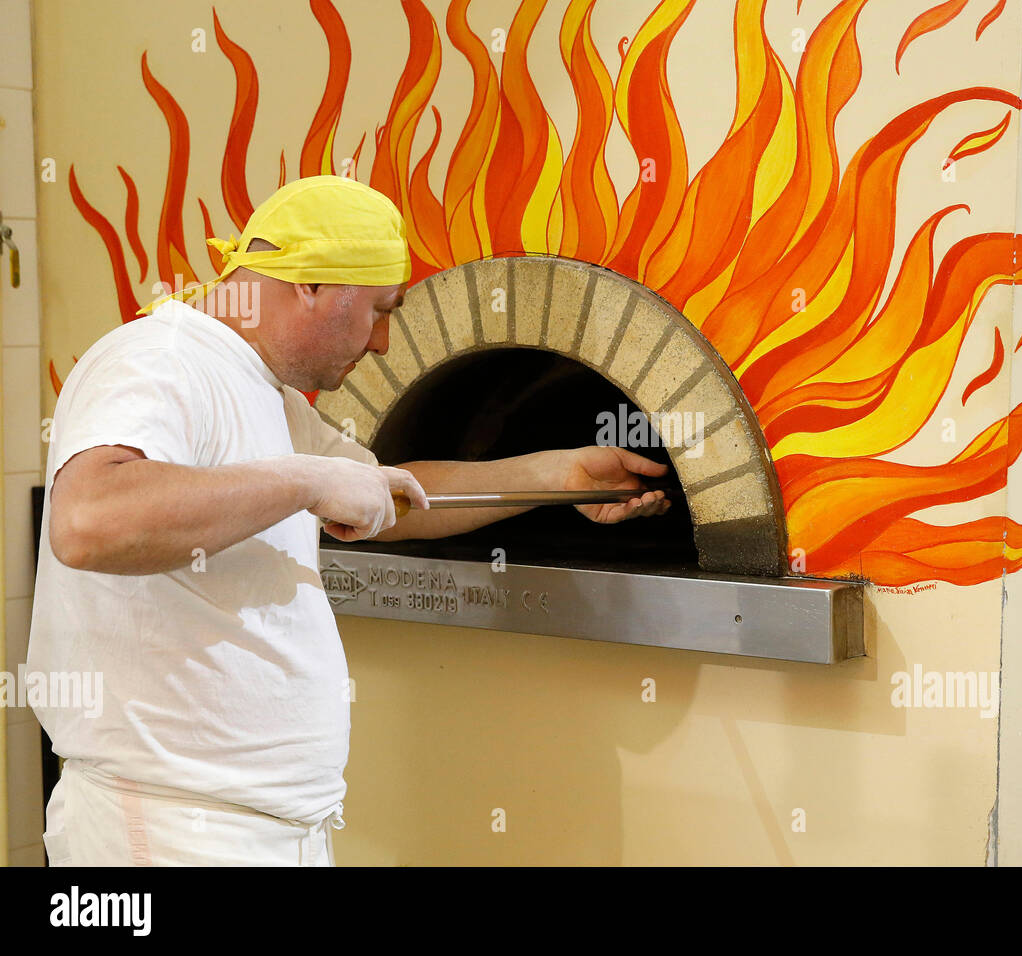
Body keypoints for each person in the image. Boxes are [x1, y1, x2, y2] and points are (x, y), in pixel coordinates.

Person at [27, 175, 671, 866]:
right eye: (379, 310)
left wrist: (557, 477)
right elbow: (89, 521)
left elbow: (389, 496)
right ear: (308, 286)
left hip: (264, 824)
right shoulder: (157, 361)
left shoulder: (265, 393)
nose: (387, 341)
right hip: (164, 828)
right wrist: (305, 479)